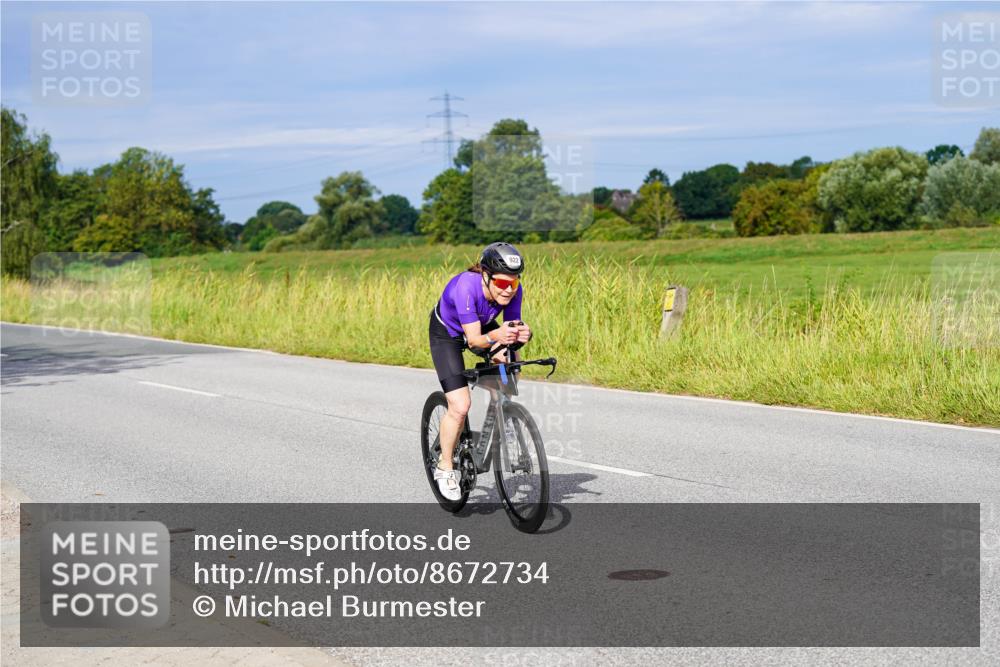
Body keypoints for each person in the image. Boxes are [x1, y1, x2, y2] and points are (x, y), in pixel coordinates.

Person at [428, 241, 532, 500]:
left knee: (509, 361)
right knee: (461, 405)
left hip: (481, 326)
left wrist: (521, 335)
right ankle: (445, 466)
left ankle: (500, 409)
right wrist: (498, 335)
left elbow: (509, 333)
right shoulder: (466, 286)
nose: (508, 290)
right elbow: (473, 340)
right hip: (449, 335)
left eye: (514, 283)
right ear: (485, 276)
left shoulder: (513, 291)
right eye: (501, 283)